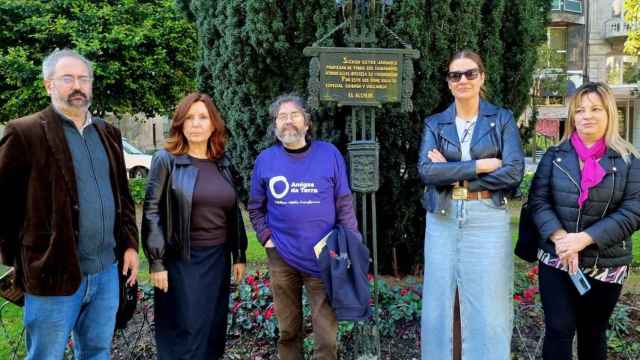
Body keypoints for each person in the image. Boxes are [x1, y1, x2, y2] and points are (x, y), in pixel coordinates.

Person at [0, 48, 139, 360]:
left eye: (83, 78)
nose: (78, 85)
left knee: (97, 352)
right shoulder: (25, 132)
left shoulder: (108, 133)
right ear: (49, 84)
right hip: (53, 274)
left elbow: (123, 199)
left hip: (106, 272)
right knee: (45, 356)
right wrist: (20, 259)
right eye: (67, 78)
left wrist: (130, 245)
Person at [418, 50, 524, 359]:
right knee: (438, 300)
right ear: (448, 83)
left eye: (470, 73)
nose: (462, 80)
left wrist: (449, 174)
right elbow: (426, 171)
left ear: (482, 78)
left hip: (487, 217)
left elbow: (513, 172)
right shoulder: (435, 124)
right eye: (455, 75)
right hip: (443, 217)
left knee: (490, 304)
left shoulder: (501, 118)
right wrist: (480, 166)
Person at [528, 82, 640, 360]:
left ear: (609, 113)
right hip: (558, 259)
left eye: (595, 109)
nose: (586, 115)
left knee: (593, 333)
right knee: (558, 328)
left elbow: (633, 211)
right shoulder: (554, 157)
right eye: (579, 110)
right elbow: (538, 202)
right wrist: (560, 238)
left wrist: (584, 239)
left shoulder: (629, 161)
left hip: (607, 265)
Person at [248, 94, 358, 360]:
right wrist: (266, 238)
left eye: (294, 115)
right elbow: (255, 207)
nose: (288, 121)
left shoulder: (329, 153)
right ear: (275, 126)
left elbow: (343, 202)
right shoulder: (265, 160)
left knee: (326, 337)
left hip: (324, 256)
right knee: (288, 331)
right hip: (282, 258)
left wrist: (351, 245)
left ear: (307, 123)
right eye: (281, 117)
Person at [142, 92, 247, 360]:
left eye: (203, 117)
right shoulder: (166, 160)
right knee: (186, 333)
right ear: (180, 123)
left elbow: (233, 211)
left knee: (213, 330)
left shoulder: (222, 162)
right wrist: (156, 262)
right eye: (189, 118)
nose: (196, 124)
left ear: (214, 124)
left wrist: (240, 254)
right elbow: (152, 211)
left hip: (218, 260)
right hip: (181, 262)